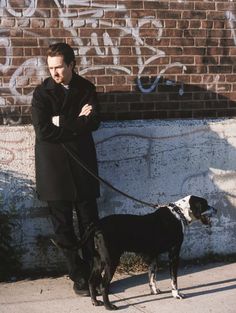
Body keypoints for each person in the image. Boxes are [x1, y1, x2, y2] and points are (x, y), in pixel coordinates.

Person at [31, 42, 100, 296]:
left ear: (71, 64)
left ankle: (95, 272)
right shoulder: (41, 94)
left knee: (90, 223)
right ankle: (79, 275)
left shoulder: (86, 88)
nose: (54, 73)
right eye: (51, 68)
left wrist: (61, 121)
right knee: (63, 228)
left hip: (83, 167)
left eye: (59, 67)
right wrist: (76, 121)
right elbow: (44, 130)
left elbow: (94, 121)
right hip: (54, 171)